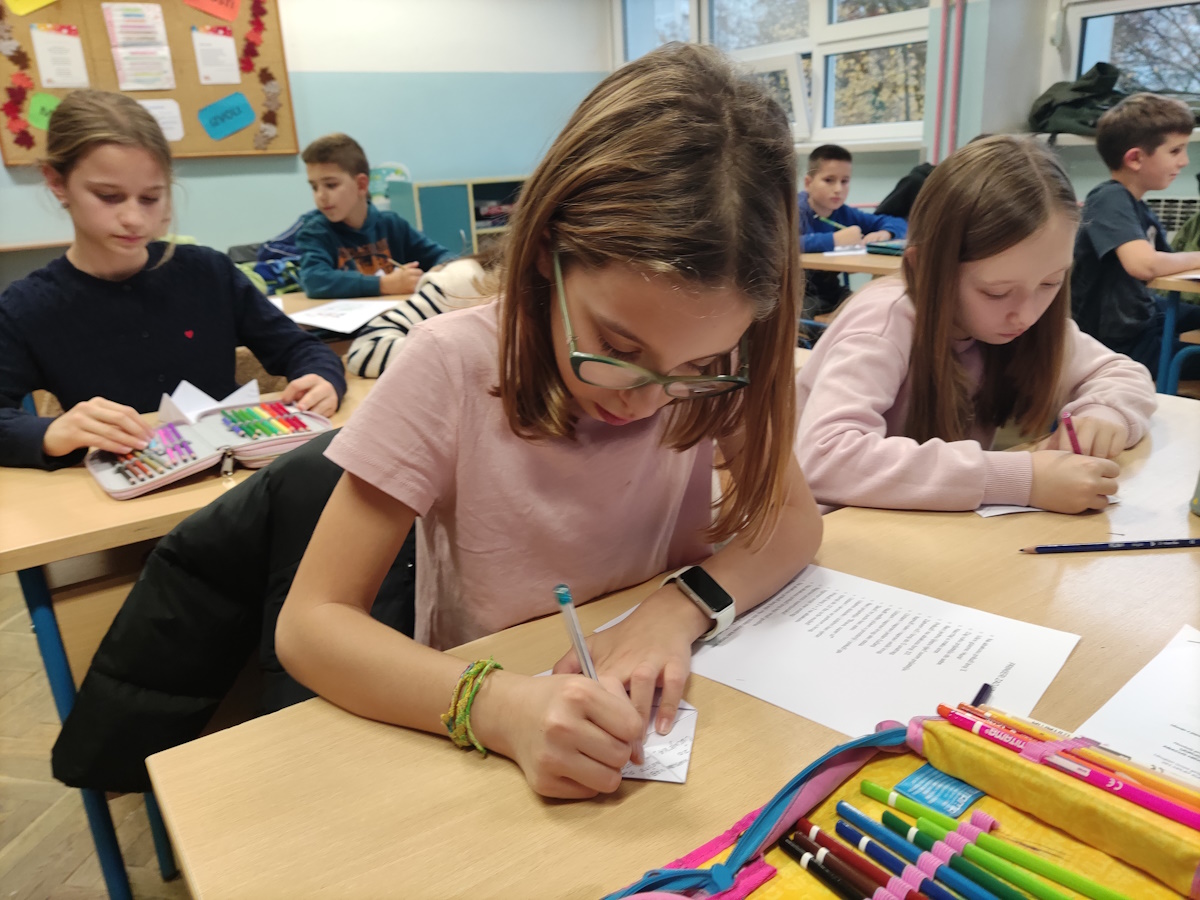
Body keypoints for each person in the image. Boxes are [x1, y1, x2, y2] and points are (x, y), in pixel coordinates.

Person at [276, 42, 822, 800]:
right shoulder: (448, 366)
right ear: (546, 253)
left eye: (696, 367)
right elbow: (311, 623)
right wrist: (498, 707)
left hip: (670, 716)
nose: (647, 399)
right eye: (617, 349)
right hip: (488, 742)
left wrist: (677, 609)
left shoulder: (713, 354)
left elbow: (792, 520)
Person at [794, 136, 1157, 513]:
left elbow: (1123, 373)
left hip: (927, 527)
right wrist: (1021, 478)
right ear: (925, 267)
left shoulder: (1020, 316)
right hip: (832, 529)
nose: (1026, 315)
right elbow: (825, 458)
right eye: (995, 292)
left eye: (1050, 283)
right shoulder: (885, 320)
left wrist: (1104, 413)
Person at [0, 90, 345, 471]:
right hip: (129, 493)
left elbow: (300, 348)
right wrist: (49, 433)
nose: (134, 219)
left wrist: (322, 377)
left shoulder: (208, 272)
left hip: (237, 480)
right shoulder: (26, 308)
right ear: (56, 182)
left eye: (150, 198)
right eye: (109, 196)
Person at [1072, 93, 1200, 378]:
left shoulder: (1138, 207)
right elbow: (1143, 265)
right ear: (1135, 158)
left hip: (1144, 318)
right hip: (1116, 343)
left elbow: (1166, 265)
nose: (1184, 161)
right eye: (1175, 151)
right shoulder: (1109, 198)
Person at [294, 133, 453, 299]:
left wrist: (438, 271)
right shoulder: (315, 232)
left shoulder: (392, 224)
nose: (320, 196)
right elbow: (314, 280)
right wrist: (384, 284)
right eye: (314, 187)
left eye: (331, 185)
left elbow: (448, 258)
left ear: (361, 185)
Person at [799, 144, 908, 317]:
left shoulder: (844, 213)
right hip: (799, 295)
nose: (838, 189)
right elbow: (782, 244)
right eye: (829, 180)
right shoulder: (794, 210)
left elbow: (898, 223)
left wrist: (885, 233)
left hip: (832, 293)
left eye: (845, 181)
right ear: (808, 183)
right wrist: (834, 240)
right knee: (810, 321)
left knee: (872, 309)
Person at [345, 254, 494, 378]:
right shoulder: (464, 281)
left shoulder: (394, 227)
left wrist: (444, 263)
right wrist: (381, 284)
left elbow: (441, 253)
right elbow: (364, 351)